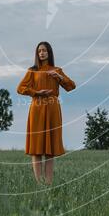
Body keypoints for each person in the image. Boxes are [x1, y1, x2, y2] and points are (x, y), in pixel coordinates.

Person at [16, 41, 76, 185]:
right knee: (36, 149)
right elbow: (20, 88)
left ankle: (48, 184)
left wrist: (59, 77)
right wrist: (36, 92)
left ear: (49, 52)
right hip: (37, 108)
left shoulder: (57, 70)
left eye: (44, 50)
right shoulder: (32, 71)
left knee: (50, 150)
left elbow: (71, 86)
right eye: (39, 51)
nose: (41, 53)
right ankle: (39, 183)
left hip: (53, 109)